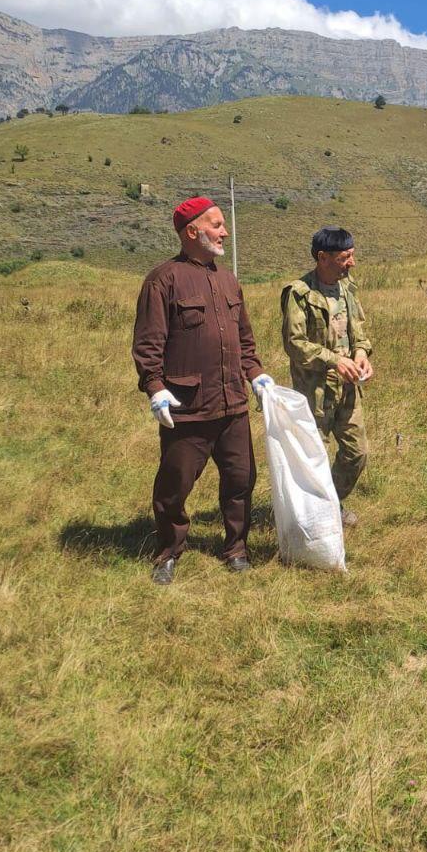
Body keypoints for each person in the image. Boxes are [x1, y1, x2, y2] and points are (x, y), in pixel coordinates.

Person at [132, 196, 273, 584]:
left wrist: (256, 373)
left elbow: (244, 339)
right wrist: (155, 388)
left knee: (241, 479)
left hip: (233, 406)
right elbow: (148, 344)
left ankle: (236, 549)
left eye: (223, 225)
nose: (225, 232)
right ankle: (168, 551)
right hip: (188, 407)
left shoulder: (228, 280)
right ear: (191, 231)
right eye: (216, 225)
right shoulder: (163, 280)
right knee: (174, 485)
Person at [281, 227, 373, 526]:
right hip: (314, 393)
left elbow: (358, 333)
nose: (352, 263)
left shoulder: (348, 288)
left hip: (348, 389)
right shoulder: (300, 293)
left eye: (352, 256)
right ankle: (310, 519)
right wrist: (335, 361)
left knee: (356, 453)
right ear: (323, 257)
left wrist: (361, 355)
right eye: (345, 257)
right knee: (313, 459)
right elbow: (295, 345)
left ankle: (331, 503)